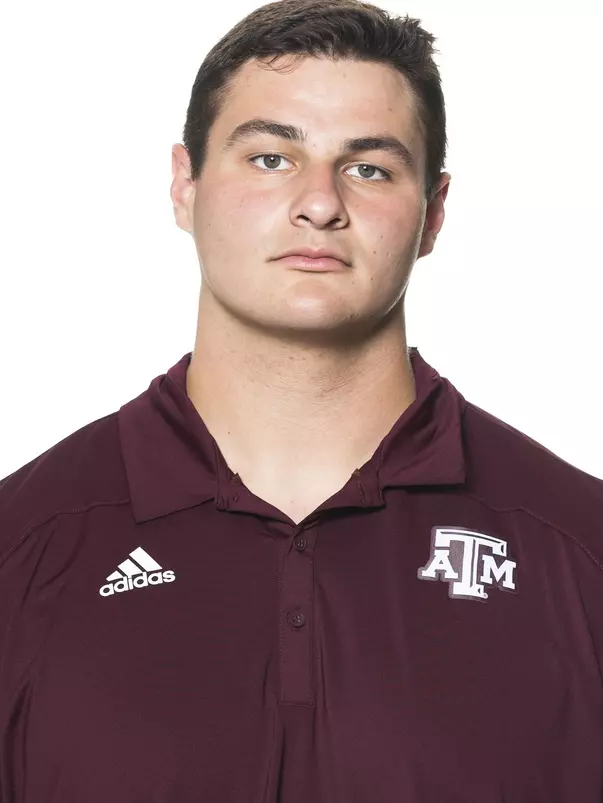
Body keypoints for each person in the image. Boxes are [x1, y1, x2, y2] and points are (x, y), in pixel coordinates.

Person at [1, 0, 602, 800]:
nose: (319, 203)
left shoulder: (579, 547)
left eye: (368, 168)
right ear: (184, 185)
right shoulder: (22, 543)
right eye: (270, 158)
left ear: (433, 213)